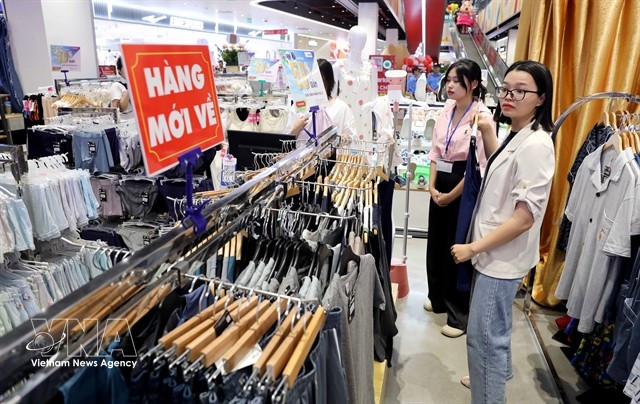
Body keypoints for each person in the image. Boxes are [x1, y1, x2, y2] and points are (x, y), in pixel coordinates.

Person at [451, 60, 555, 403]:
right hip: (494, 254)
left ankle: (488, 391)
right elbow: (505, 174)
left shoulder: (538, 145)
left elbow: (524, 218)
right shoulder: (518, 133)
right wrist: (488, 136)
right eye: (506, 89)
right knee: (494, 331)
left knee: (482, 339)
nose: (509, 96)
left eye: (520, 91)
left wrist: (473, 247)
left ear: (541, 98)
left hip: (499, 258)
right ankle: (493, 376)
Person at [424, 59, 493, 338]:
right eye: (448, 80)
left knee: (457, 247)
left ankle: (458, 314)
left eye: (457, 80)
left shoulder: (483, 117)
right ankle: (437, 296)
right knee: (436, 243)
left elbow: (478, 168)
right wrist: (431, 188)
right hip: (439, 181)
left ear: (473, 84)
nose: (450, 85)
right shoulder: (446, 110)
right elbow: (434, 152)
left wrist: (450, 196)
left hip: (463, 187)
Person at [290, 59, 357, 142]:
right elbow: (286, 141)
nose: (315, 85)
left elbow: (352, 135)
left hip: (332, 154)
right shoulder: (299, 107)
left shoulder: (341, 108)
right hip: (302, 154)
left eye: (320, 81)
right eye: (312, 80)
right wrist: (296, 129)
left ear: (328, 81)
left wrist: (344, 138)